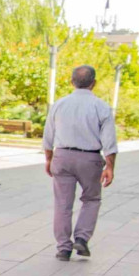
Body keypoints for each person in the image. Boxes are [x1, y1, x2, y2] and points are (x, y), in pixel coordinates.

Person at [43, 65, 118, 261]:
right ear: (94, 83)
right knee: (91, 199)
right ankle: (82, 238)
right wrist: (110, 166)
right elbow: (109, 140)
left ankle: (63, 248)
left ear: (71, 82)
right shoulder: (101, 106)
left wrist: (49, 159)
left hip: (62, 157)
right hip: (90, 159)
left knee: (62, 204)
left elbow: (48, 135)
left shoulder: (59, 104)